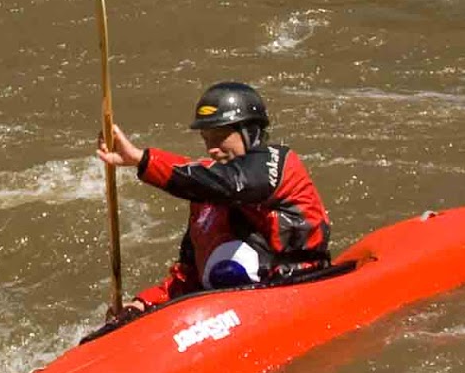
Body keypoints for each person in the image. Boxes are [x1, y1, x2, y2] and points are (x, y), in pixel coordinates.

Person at [95, 81, 331, 320]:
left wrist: (142, 160)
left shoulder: (279, 164)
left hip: (295, 288)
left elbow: (234, 183)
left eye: (220, 137)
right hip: (229, 312)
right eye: (207, 139)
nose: (212, 150)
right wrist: (142, 304)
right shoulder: (206, 198)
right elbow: (188, 278)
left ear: (250, 132)